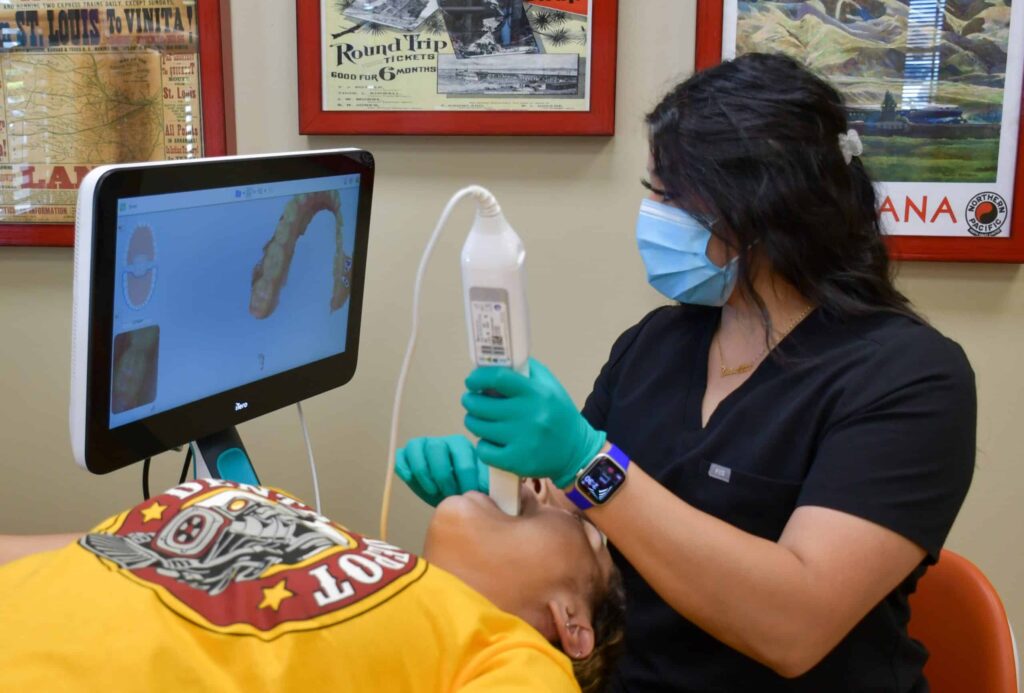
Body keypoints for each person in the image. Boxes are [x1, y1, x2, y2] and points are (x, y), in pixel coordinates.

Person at [396, 53, 977, 692]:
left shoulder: (910, 379)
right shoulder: (657, 344)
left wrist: (586, 463)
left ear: (761, 209)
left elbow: (795, 626)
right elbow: (586, 521)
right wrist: (508, 490)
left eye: (670, 195)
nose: (652, 214)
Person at [0, 476, 625, 692]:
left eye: (587, 532)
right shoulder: (352, 553)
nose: (543, 489)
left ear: (570, 625)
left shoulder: (508, 656)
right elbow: (114, 553)